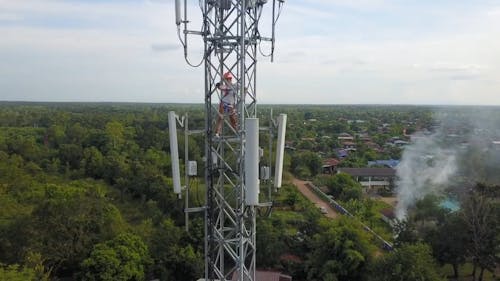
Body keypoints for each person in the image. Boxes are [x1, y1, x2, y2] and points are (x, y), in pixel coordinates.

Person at [215, 72, 238, 136]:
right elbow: (220, 87)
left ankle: (236, 131)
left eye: (228, 79)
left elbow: (243, 87)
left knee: (233, 119)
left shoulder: (235, 86)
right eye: (225, 79)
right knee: (220, 117)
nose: (227, 81)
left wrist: (244, 95)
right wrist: (218, 85)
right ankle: (217, 132)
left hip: (231, 105)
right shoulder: (224, 86)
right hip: (224, 103)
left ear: (230, 79)